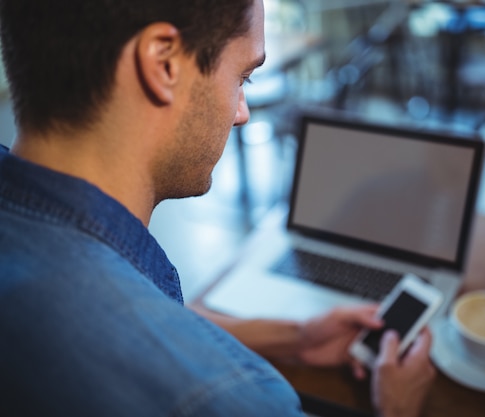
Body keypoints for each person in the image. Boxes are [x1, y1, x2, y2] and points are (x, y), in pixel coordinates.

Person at [0, 0, 435, 416]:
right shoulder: (229, 399)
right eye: (243, 77)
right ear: (163, 64)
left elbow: (127, 315)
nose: (241, 113)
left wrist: (296, 338)